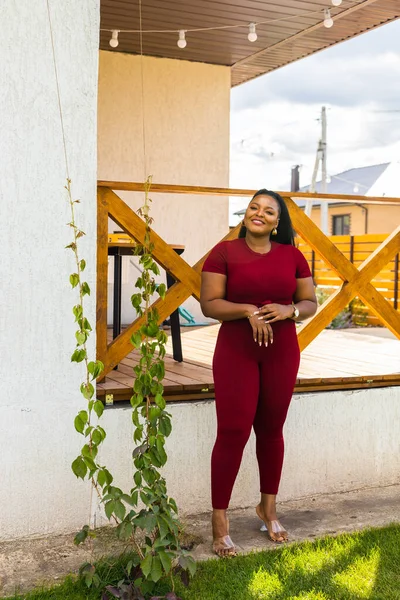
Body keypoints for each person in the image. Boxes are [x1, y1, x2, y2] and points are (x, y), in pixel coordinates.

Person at [200, 189, 318, 557]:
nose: (259, 214)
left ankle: (268, 507)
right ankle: (220, 520)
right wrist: (248, 309)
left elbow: (310, 301)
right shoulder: (224, 253)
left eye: (269, 211)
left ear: (277, 222)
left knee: (271, 430)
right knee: (233, 432)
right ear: (245, 214)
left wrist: (290, 311)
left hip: (282, 352)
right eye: (254, 207)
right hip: (236, 351)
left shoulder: (293, 256)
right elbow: (209, 304)